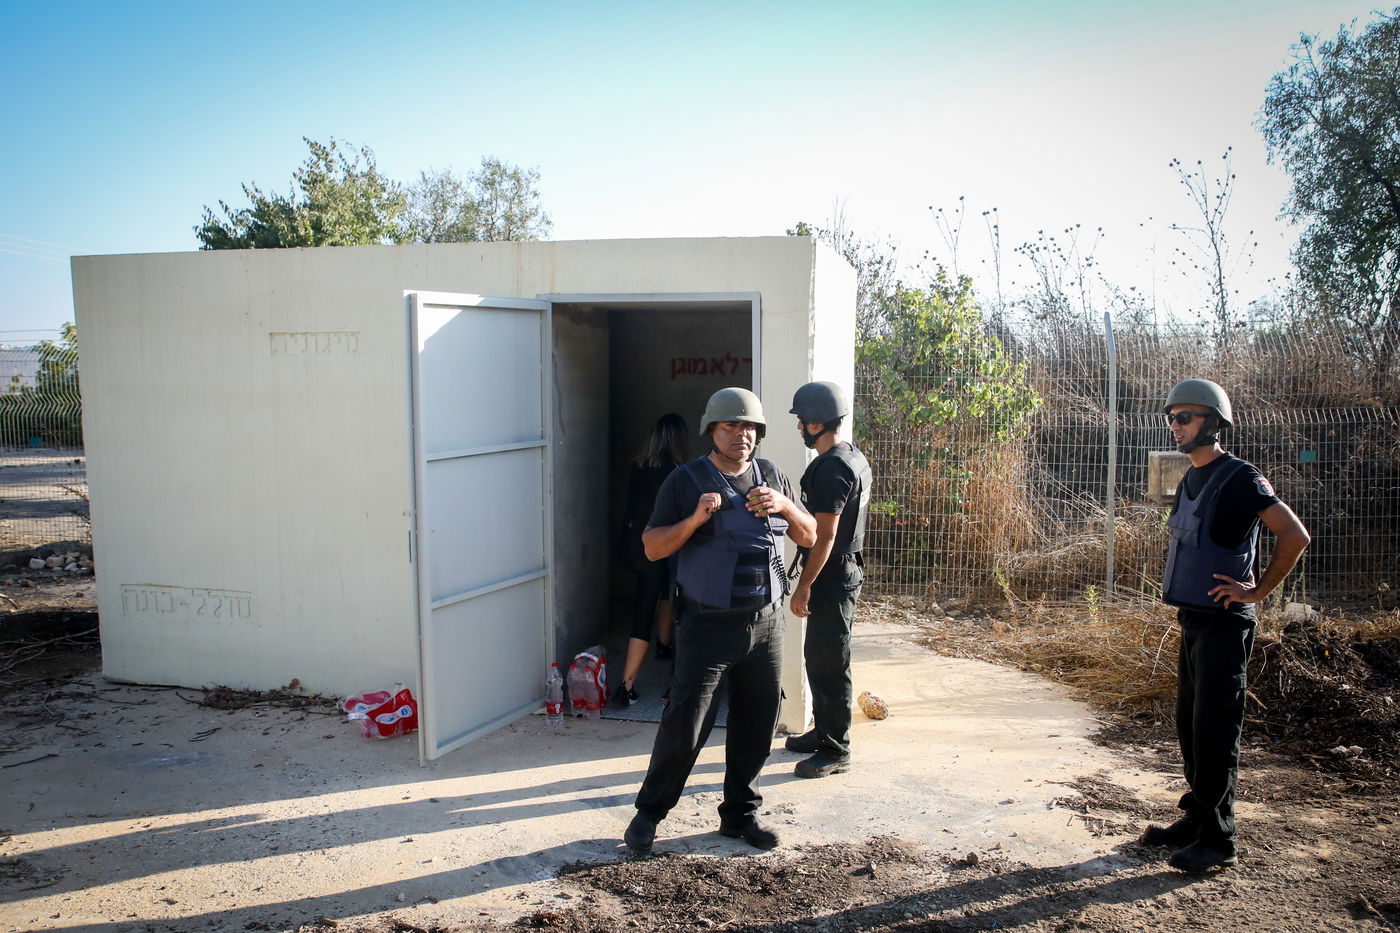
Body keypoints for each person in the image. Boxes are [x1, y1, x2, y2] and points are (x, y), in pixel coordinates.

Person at [622, 387, 816, 855]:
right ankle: (648, 815)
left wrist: (785, 506)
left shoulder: (772, 476)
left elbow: (809, 534)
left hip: (767, 624)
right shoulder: (685, 481)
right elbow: (652, 547)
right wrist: (694, 519)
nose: (741, 434)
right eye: (730, 426)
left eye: (749, 427)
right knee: (685, 725)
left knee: (756, 723)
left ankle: (740, 815)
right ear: (712, 429)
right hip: (707, 625)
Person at [1139, 379, 1310, 873]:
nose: (1176, 426)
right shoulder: (1191, 477)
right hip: (1193, 619)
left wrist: (1256, 592)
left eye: (1185, 417)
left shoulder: (1240, 477)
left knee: (1215, 732)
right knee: (1190, 728)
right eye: (1172, 417)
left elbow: (1294, 535)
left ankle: (1219, 840)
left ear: (1214, 423)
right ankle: (1197, 818)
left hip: (1224, 625)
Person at [783, 381, 871, 779]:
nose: (799, 427)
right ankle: (824, 731)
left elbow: (827, 534)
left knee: (831, 661)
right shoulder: (851, 456)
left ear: (815, 422)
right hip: (839, 571)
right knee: (818, 657)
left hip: (832, 575)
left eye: (801, 421)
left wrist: (804, 585)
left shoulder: (833, 467)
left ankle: (836, 750)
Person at [612, 413, 687, 708]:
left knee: (652, 599)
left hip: (635, 547)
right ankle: (630, 683)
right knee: (668, 600)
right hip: (662, 548)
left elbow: (631, 510)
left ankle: (650, 660)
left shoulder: (638, 466)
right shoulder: (678, 472)